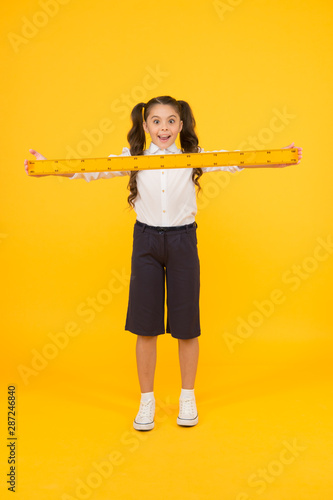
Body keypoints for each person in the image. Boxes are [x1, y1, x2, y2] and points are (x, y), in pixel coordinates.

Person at [24, 95, 302, 431]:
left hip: (184, 241)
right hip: (147, 243)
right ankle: (147, 401)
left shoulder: (192, 157)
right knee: (146, 326)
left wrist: (278, 161)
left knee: (187, 325)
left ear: (181, 125)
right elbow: (92, 170)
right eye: (156, 121)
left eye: (171, 121)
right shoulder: (134, 158)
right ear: (145, 126)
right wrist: (46, 167)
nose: (164, 128)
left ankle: (188, 396)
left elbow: (235, 161)